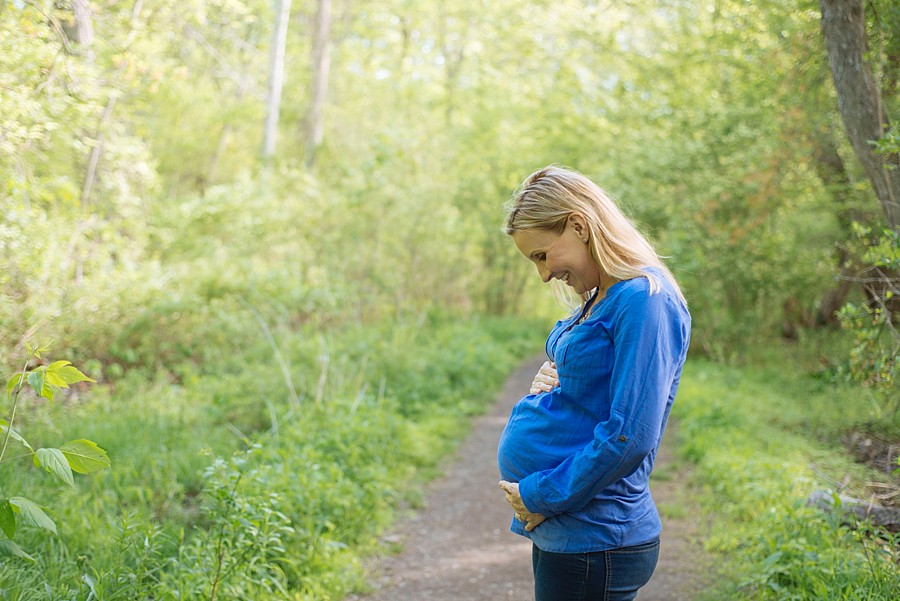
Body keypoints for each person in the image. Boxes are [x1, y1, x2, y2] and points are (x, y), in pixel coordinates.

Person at [496, 165, 691, 601]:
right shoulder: (601, 297)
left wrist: (540, 494)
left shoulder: (643, 300)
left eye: (542, 256)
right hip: (570, 528)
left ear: (579, 225)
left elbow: (628, 436)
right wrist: (546, 382)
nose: (544, 275)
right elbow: (589, 393)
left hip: (596, 534)